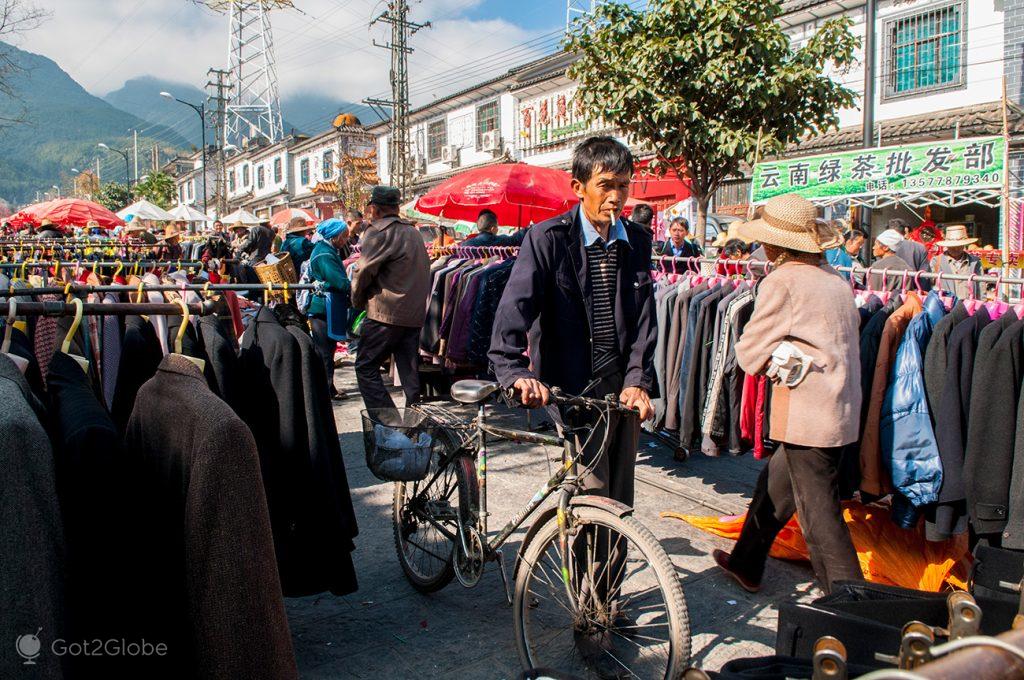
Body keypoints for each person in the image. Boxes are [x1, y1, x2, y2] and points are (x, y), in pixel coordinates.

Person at [489, 136, 656, 673]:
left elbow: (645, 323)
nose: (616, 198)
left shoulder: (637, 240)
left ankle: (606, 599)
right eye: (606, 187)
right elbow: (511, 317)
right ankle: (588, 613)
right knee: (590, 501)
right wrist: (518, 374)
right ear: (579, 187)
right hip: (569, 390)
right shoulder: (547, 240)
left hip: (618, 393)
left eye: (624, 186)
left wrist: (638, 381)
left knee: (620, 501)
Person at [714, 193, 862, 595]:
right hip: (840, 410)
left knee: (820, 519)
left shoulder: (782, 281)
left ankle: (854, 609)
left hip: (809, 417)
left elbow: (749, 353)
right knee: (774, 487)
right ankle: (747, 562)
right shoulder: (836, 280)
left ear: (776, 243)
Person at [351, 186, 431, 411]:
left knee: (366, 367)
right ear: (396, 207)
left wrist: (357, 301)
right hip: (412, 313)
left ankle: (390, 424)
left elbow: (362, 270)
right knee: (409, 373)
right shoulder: (413, 232)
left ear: (374, 209)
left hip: (385, 313)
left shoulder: (379, 231)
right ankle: (417, 425)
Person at [307, 218, 353, 401]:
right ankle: (325, 390)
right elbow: (338, 281)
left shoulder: (327, 249)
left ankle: (329, 387)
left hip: (326, 307)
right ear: (336, 236)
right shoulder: (325, 253)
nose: (346, 240)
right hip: (323, 308)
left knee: (328, 350)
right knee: (325, 351)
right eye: (344, 236)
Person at [931, 224, 981, 299]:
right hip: (945, 306)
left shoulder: (974, 262)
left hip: (968, 306)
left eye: (959, 246)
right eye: (952, 246)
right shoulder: (936, 261)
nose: (956, 249)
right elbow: (929, 285)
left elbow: (981, 286)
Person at [461, 209, 526, 247]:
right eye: (497, 226)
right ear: (492, 229)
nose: (498, 229)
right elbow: (515, 239)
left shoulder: (465, 244)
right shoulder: (501, 240)